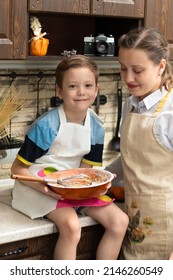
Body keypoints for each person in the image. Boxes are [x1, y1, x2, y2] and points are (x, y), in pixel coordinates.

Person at [11, 54, 128, 260]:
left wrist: (88, 187)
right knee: (72, 226)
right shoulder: (46, 126)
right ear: (60, 91)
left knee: (120, 222)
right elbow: (17, 170)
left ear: (96, 90)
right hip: (38, 185)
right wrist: (44, 187)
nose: (81, 92)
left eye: (88, 85)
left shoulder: (97, 128)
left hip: (72, 186)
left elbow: (87, 169)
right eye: (73, 86)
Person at [105, 27, 173, 260]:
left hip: (168, 233)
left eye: (138, 70)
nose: (128, 78)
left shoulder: (170, 113)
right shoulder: (132, 104)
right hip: (136, 225)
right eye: (123, 68)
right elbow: (131, 157)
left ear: (160, 66)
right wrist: (97, 179)